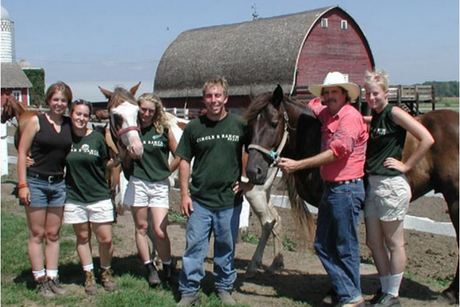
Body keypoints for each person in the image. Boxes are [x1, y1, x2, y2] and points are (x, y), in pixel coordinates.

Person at [277, 71, 368, 307]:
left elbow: (336, 152)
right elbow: (312, 104)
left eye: (334, 92)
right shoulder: (327, 112)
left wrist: (299, 165)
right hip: (332, 190)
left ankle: (351, 295)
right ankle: (348, 291)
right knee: (322, 245)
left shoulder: (349, 117)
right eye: (326, 92)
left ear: (345, 94)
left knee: (345, 246)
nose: (328, 96)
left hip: (346, 190)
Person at [176, 77, 250, 306]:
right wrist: (184, 194)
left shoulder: (240, 125)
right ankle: (189, 291)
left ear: (226, 98)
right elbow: (184, 161)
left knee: (226, 247)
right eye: (209, 96)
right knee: (194, 247)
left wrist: (248, 181)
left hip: (230, 200)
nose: (214, 100)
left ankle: (224, 287)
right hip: (200, 201)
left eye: (218, 95)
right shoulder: (194, 128)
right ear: (204, 99)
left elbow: (251, 152)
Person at [363, 70, 434, 306]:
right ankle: (385, 290)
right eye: (367, 93)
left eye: (375, 93)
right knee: (373, 242)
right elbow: (370, 122)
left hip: (391, 186)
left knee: (394, 242)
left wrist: (407, 165)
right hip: (374, 186)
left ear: (385, 93)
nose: (370, 98)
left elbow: (426, 138)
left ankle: (393, 294)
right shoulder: (376, 116)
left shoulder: (394, 113)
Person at [17, 81, 73, 298]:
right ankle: (39, 279)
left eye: (63, 100)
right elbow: (22, 152)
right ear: (49, 100)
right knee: (37, 233)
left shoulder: (69, 124)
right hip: (37, 183)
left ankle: (53, 276)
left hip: (58, 184)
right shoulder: (36, 121)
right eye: (56, 99)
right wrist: (22, 185)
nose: (59, 104)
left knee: (53, 234)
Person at [123, 93, 180, 287]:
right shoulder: (132, 130)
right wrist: (129, 157)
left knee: (160, 230)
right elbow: (123, 156)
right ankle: (149, 268)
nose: (146, 113)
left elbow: (179, 154)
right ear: (138, 109)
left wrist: (167, 171)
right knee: (141, 228)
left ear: (156, 111)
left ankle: (168, 267)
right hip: (138, 182)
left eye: (150, 110)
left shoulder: (163, 129)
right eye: (143, 109)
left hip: (159, 185)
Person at [63, 99, 118, 295]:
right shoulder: (65, 137)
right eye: (78, 114)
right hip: (75, 196)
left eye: (85, 115)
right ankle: (88, 274)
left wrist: (119, 160)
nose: (81, 118)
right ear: (71, 114)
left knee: (106, 239)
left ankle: (105, 271)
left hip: (98, 195)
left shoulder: (97, 138)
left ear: (89, 117)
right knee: (83, 237)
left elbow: (106, 162)